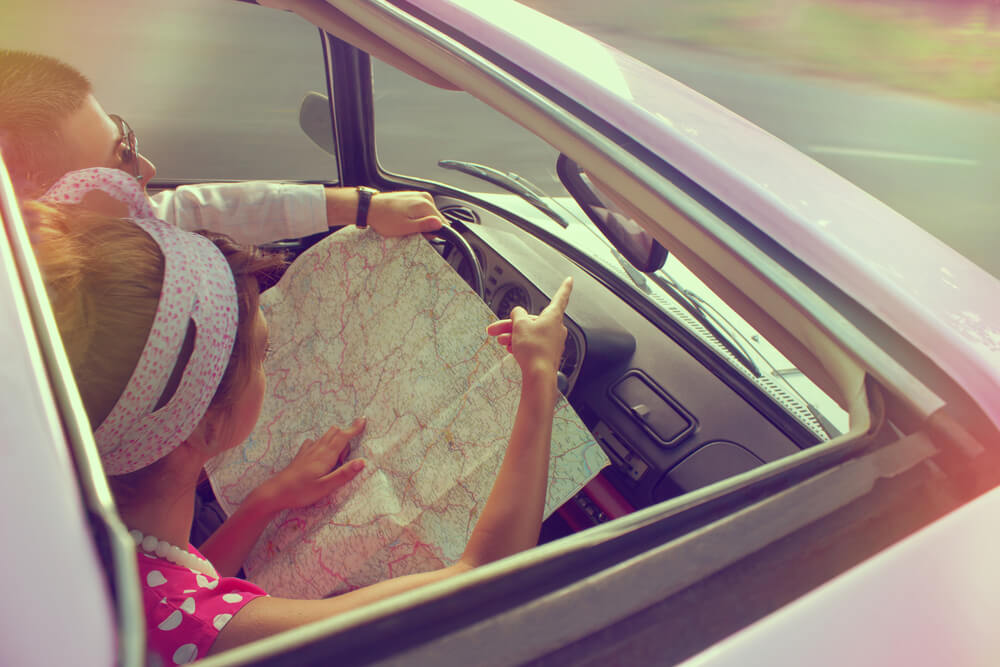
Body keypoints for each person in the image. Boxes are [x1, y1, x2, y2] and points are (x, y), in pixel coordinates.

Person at [28, 166, 573, 664]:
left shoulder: (77, 514)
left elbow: (174, 586)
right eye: (261, 353)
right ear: (206, 424)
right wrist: (539, 373)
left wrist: (269, 499)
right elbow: (480, 578)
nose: (269, 362)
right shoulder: (210, 634)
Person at [0, 49, 444, 244]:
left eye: (126, 140)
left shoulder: (102, 234)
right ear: (38, 215)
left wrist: (363, 207)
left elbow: (202, 211)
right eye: (120, 161)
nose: (148, 168)